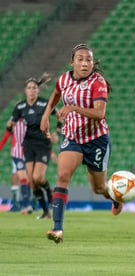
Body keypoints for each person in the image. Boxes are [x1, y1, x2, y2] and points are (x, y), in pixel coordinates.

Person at [40, 43, 119, 244]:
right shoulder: (64, 79)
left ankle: (116, 196)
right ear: (72, 62)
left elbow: (99, 113)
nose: (85, 63)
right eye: (81, 59)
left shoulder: (98, 82)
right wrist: (45, 115)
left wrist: (73, 107)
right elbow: (56, 95)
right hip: (73, 137)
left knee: (99, 189)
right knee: (62, 175)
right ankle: (57, 229)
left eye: (89, 60)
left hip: (97, 140)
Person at [6, 74, 60, 219]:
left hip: (43, 144)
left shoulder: (44, 104)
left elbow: (60, 116)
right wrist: (10, 125)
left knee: (38, 177)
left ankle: (50, 192)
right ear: (25, 90)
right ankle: (45, 212)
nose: (31, 90)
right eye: (29, 88)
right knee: (32, 181)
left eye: (34, 88)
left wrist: (57, 132)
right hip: (28, 144)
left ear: (38, 90)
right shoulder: (20, 106)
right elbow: (11, 122)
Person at [0, 119, 30, 213]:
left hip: (22, 151)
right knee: (23, 174)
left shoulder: (14, 121)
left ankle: (22, 204)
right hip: (22, 152)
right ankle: (25, 204)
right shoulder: (23, 120)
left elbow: (5, 137)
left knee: (21, 175)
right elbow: (5, 136)